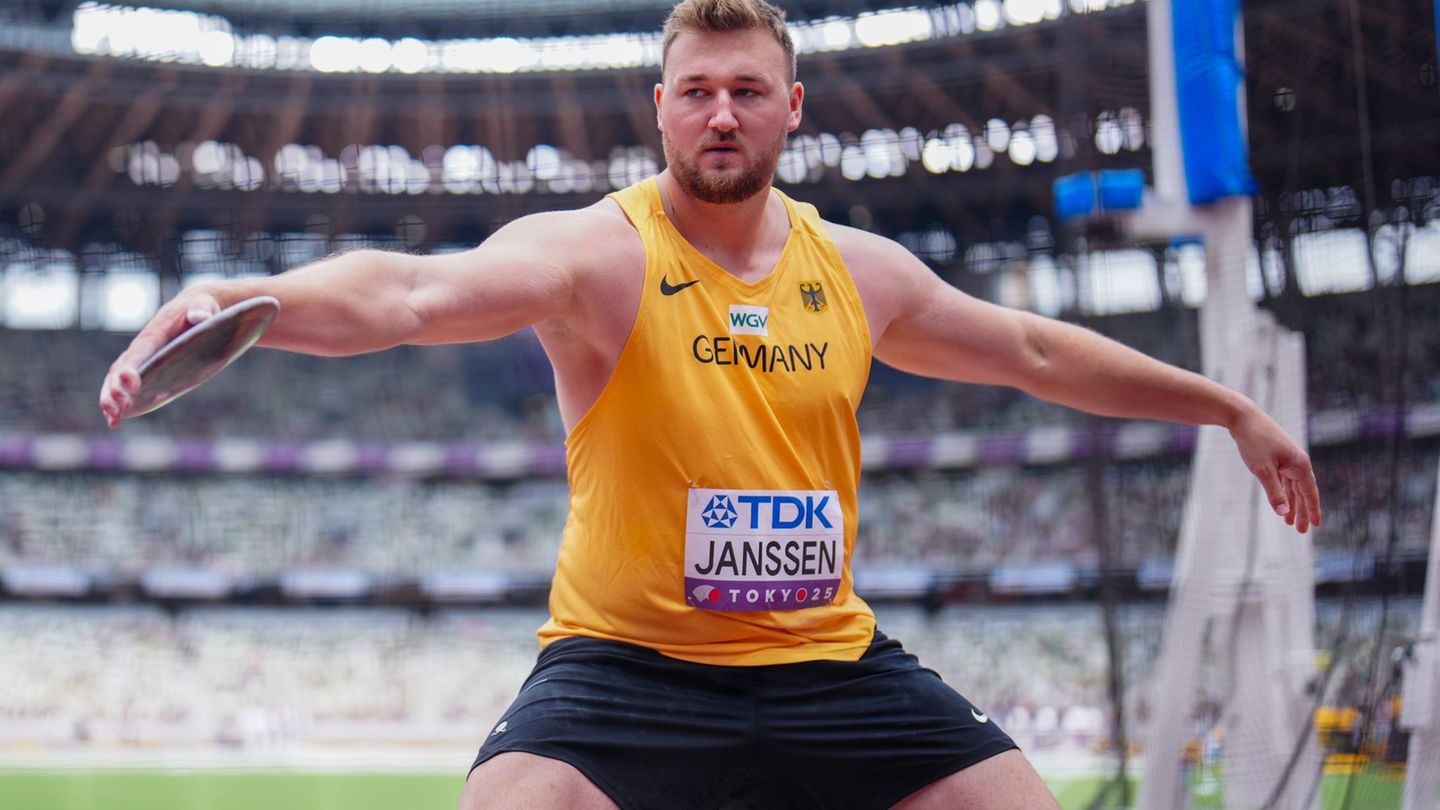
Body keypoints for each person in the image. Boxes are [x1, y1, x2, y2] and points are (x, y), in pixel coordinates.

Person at [99, 0, 1323, 806]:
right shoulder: (598, 256)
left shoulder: (859, 272)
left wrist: (1228, 408)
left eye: (746, 89)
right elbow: (414, 292)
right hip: (628, 664)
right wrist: (248, 296)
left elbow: (1035, 354)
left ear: (792, 109)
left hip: (827, 662)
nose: (720, 112)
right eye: (695, 91)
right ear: (661, 108)